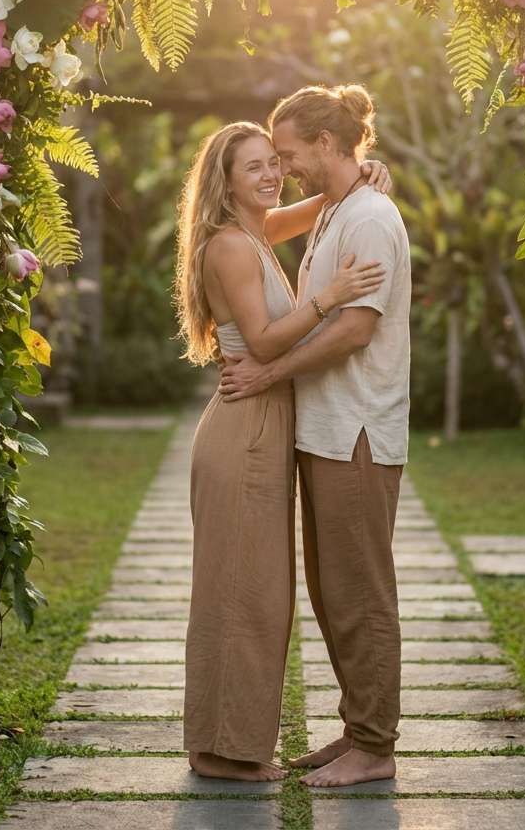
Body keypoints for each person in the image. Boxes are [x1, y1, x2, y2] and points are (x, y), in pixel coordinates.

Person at [174, 119, 391, 782]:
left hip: (261, 425)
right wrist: (328, 297)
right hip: (245, 431)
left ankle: (225, 743)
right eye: (255, 168)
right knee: (244, 592)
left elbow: (315, 203)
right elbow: (265, 343)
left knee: (254, 590)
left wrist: (362, 176)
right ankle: (226, 753)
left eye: (275, 162)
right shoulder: (233, 247)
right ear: (226, 181)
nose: (272, 175)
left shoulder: (253, 231)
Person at [220, 84, 411, 788]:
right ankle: (358, 730)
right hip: (328, 431)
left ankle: (376, 746)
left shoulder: (368, 219)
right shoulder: (337, 210)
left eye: (292, 153)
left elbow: (355, 330)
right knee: (335, 593)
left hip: (358, 431)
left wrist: (267, 376)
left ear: (327, 144)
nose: (285, 166)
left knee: (360, 593)